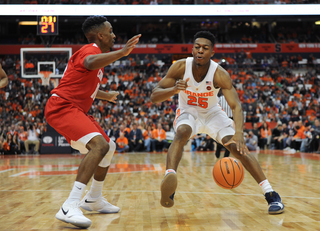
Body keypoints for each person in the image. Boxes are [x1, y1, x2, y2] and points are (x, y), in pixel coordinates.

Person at [150, 31, 284, 214]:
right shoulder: (181, 67)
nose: (200, 51)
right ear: (192, 49)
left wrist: (239, 133)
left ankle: (271, 194)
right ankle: (169, 180)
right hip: (189, 111)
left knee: (238, 148)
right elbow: (154, 96)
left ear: (212, 52)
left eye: (205, 48)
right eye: (197, 47)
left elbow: (236, 106)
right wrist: (174, 90)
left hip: (213, 114)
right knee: (181, 132)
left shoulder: (219, 74)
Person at [45, 16, 141, 228]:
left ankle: (93, 199)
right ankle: (69, 205)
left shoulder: (97, 55)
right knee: (100, 145)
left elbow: (84, 85)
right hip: (62, 107)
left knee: (109, 147)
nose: (114, 35)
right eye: (111, 31)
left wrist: (106, 96)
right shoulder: (91, 51)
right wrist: (123, 53)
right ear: (100, 35)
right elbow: (89, 63)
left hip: (74, 107)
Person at [215, 94, 232, 158]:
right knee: (220, 138)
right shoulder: (220, 99)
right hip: (222, 119)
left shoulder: (232, 97)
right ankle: (218, 154)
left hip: (229, 120)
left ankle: (225, 156)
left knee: (229, 139)